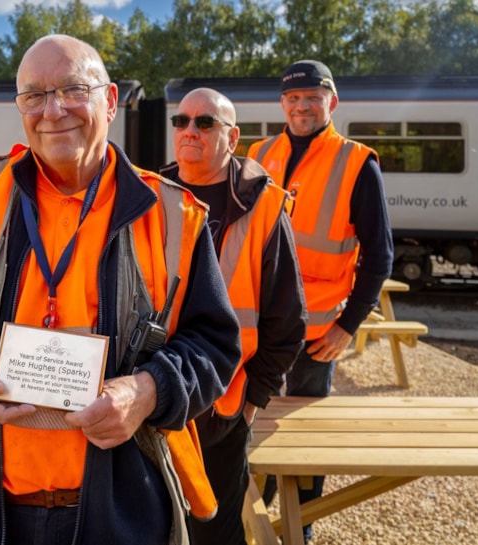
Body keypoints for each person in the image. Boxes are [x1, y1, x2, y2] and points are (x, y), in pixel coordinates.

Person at [0, 34, 241, 545]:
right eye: (34, 95)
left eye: (71, 89)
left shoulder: (172, 214)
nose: (53, 110)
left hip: (121, 509)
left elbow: (214, 345)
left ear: (109, 100)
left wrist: (144, 392)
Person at [247, 60, 394, 543]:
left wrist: (347, 326)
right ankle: (254, 520)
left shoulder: (357, 162)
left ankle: (299, 530)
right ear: (282, 104)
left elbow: (380, 256)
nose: (302, 106)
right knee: (247, 432)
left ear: (332, 102)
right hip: (256, 333)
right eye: (293, 98)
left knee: (303, 449)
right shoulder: (258, 153)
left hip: (315, 339)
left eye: (313, 96)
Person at [159, 87, 307, 545]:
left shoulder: (265, 206)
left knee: (213, 533)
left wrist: (249, 405)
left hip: (222, 409)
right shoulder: (151, 195)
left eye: (205, 123)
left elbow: (287, 321)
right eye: (181, 122)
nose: (189, 131)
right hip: (152, 402)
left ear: (232, 137)